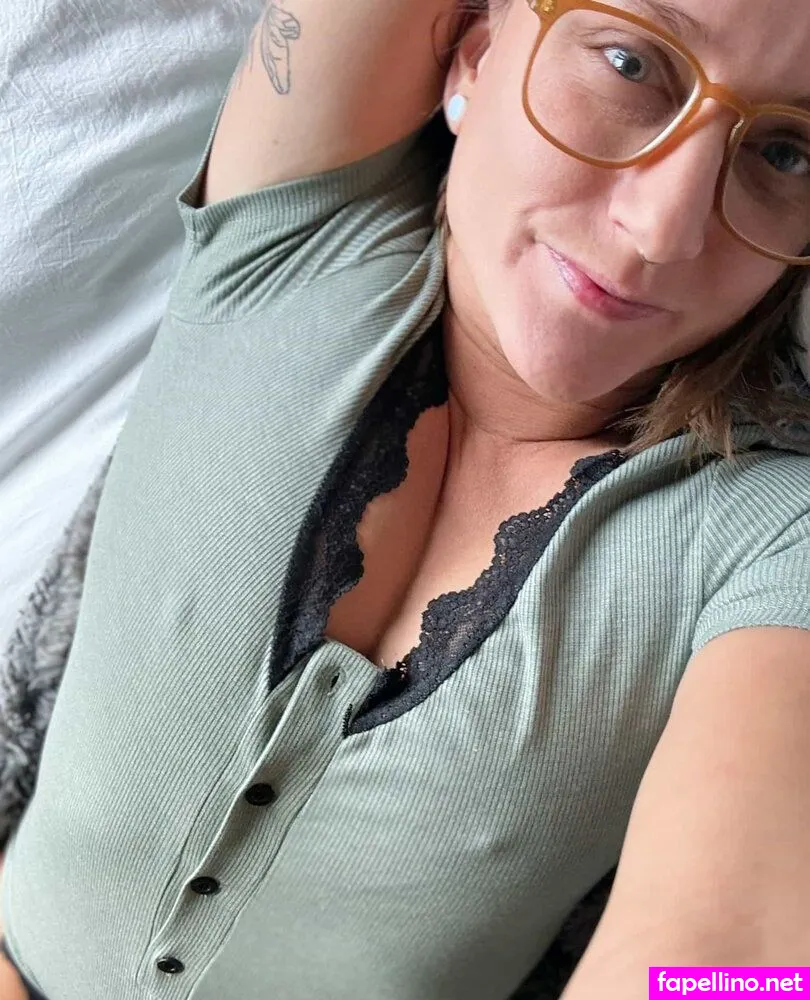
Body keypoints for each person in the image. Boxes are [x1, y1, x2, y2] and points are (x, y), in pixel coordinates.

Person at [2, 0, 810, 997]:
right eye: (629, 65)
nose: (664, 228)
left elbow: (738, 967)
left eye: (786, 154)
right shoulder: (296, 233)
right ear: (476, 53)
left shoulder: (778, 543)